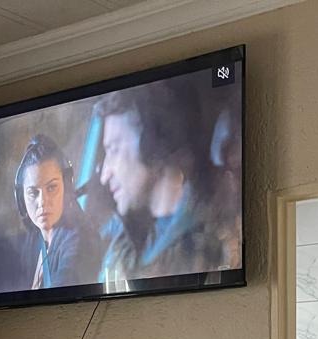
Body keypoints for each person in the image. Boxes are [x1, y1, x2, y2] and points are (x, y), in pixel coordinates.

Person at [94, 81, 223, 283]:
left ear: (151, 145)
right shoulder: (123, 238)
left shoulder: (211, 241)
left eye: (114, 150)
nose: (105, 175)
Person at [14, 134, 101, 290]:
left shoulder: (77, 239)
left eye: (52, 187)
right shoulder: (33, 240)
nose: (42, 201)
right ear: (22, 198)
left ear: (66, 188)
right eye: (33, 193)